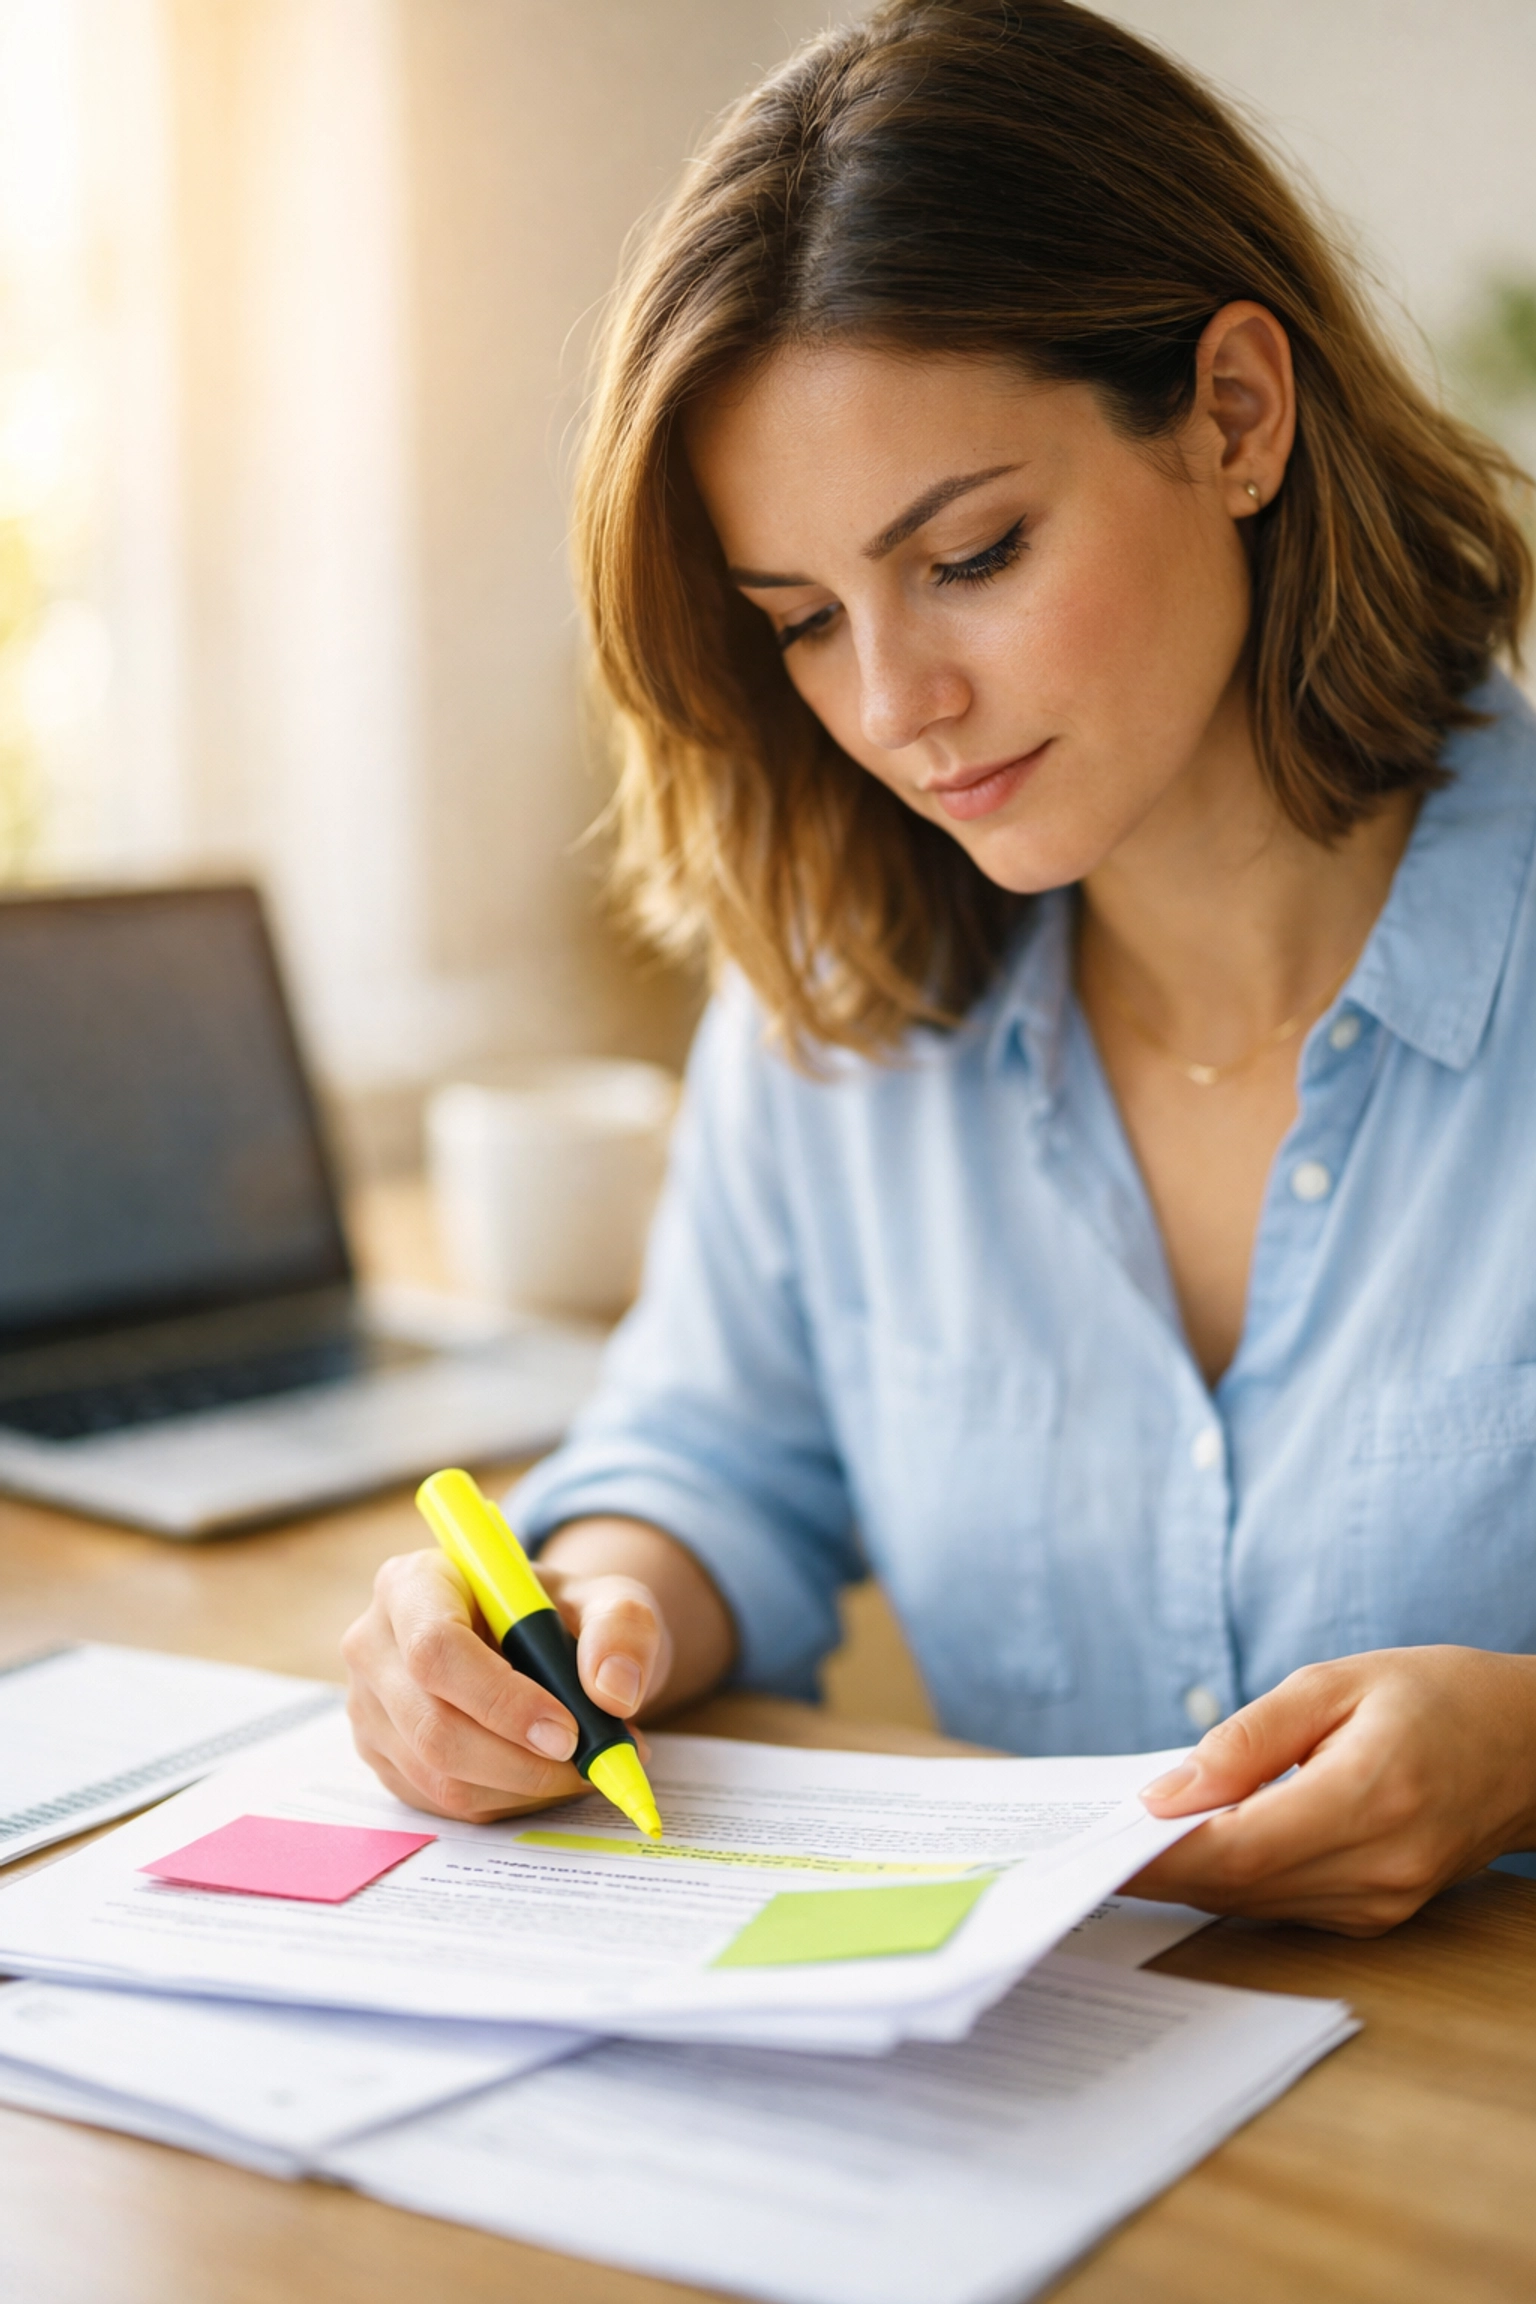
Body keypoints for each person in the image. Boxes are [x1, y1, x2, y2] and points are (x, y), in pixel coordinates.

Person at [343, 0, 1536, 1934]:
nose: (896, 709)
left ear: (1236, 416)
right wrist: (577, 1617)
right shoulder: (839, 1000)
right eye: (804, 618)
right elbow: (715, 1450)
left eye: (972, 555)